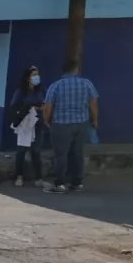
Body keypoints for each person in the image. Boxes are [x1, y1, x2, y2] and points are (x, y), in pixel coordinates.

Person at [41, 63, 99, 194]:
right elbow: (93, 103)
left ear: (63, 71)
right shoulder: (87, 84)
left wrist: (46, 120)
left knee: (60, 155)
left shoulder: (55, 86)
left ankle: (59, 184)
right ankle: (77, 183)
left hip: (61, 124)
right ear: (77, 70)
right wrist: (95, 120)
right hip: (81, 123)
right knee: (78, 153)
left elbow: (48, 106)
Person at [9, 66, 45, 187]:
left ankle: (38, 178)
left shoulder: (39, 91)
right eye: (34, 75)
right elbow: (14, 106)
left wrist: (40, 108)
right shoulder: (21, 91)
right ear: (28, 77)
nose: (36, 77)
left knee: (36, 151)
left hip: (37, 124)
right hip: (25, 124)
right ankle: (19, 176)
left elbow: (44, 104)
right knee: (21, 151)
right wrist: (28, 108)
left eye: (37, 74)